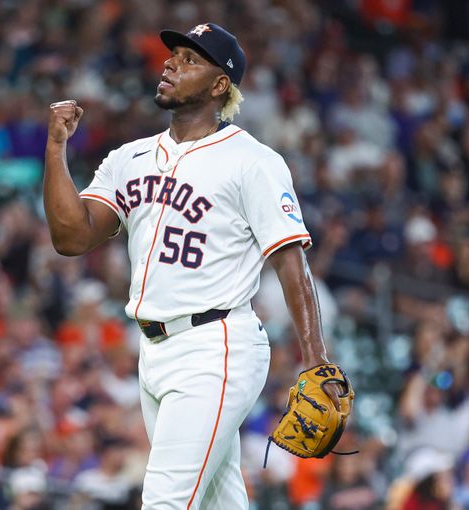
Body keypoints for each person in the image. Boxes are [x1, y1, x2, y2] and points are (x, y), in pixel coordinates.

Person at [44, 22, 346, 508]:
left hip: (216, 346)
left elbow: (291, 262)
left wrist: (315, 359)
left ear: (219, 84)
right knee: (217, 502)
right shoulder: (130, 158)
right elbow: (71, 236)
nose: (170, 64)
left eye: (190, 60)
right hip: (153, 349)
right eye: (173, 55)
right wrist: (56, 149)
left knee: (165, 500)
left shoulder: (253, 161)